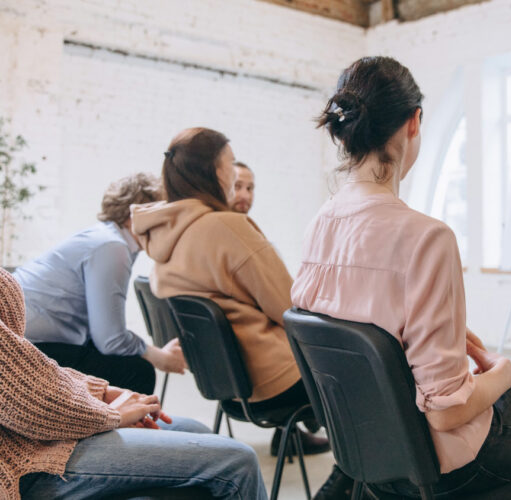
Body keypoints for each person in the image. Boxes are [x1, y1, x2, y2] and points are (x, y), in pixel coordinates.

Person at [292, 56, 511, 499]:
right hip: (437, 466)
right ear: (414, 123)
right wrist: (502, 372)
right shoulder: (427, 238)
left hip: (365, 449)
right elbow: (447, 413)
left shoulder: (319, 225)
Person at [130, 128, 329, 459]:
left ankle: (347, 479)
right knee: (373, 380)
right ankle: (351, 482)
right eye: (230, 163)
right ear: (215, 170)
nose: (233, 172)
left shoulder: (165, 236)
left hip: (228, 388)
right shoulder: (226, 227)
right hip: (276, 381)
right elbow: (290, 307)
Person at [0, 268, 268, 500]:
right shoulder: (109, 246)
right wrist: (111, 414)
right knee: (238, 461)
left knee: (196, 429)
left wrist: (101, 392)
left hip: (31, 430)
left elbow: (24, 365)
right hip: (19, 458)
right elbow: (109, 339)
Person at [13, 173, 185, 395]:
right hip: (28, 348)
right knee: (137, 371)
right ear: (135, 214)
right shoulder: (112, 247)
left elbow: (104, 335)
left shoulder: (104, 238)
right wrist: (158, 357)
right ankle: (125, 427)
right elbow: (110, 339)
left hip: (29, 340)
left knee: (126, 360)